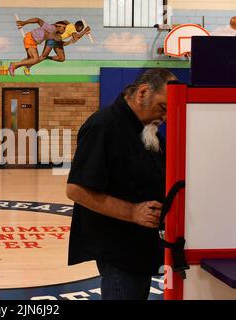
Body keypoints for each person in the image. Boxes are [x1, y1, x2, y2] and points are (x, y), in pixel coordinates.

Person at [66, 68, 177, 300]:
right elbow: (76, 189)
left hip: (141, 248)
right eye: (163, 108)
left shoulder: (148, 131)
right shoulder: (102, 125)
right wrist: (133, 211)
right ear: (143, 93)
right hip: (117, 251)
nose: (164, 118)